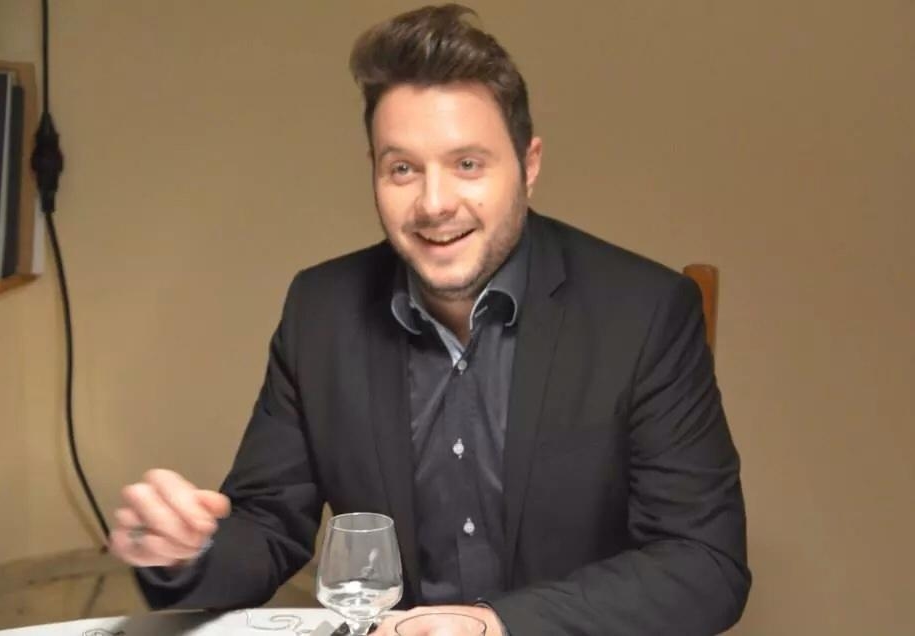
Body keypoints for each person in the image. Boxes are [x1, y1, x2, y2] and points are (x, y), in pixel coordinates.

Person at [109, 4, 750, 634]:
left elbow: (703, 564)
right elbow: (268, 525)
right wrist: (185, 551)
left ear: (528, 166)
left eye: (467, 164)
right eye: (403, 169)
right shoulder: (319, 310)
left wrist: (496, 625)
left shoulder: (645, 312)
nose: (434, 204)